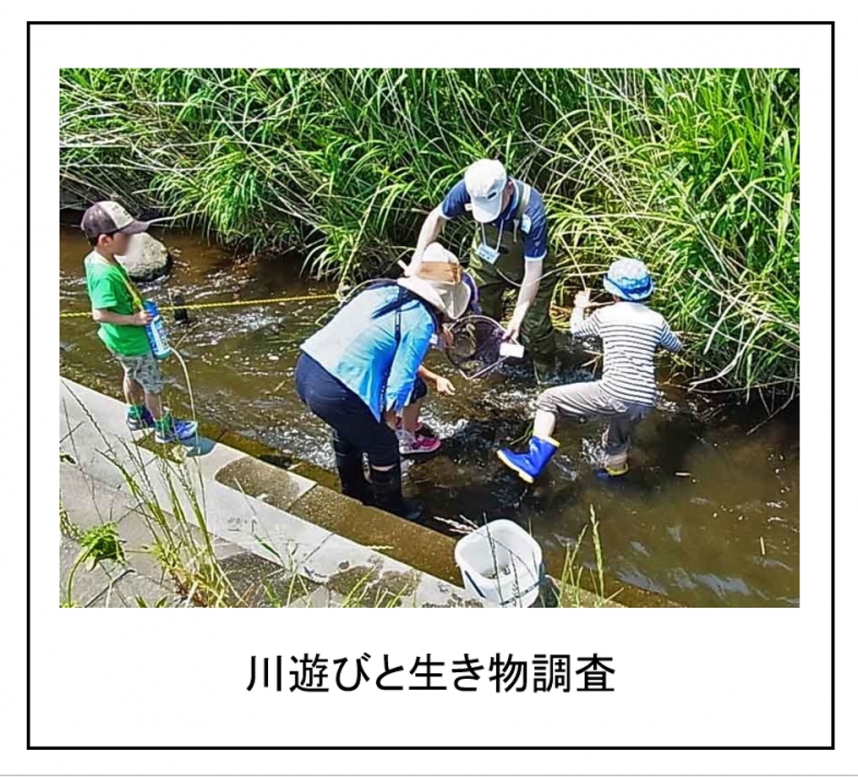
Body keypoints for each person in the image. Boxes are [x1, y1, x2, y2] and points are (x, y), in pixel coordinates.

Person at [295, 243, 471, 519]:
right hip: (337, 389)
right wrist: (389, 418)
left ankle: (354, 491)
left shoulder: (382, 289)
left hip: (307, 369)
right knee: (384, 446)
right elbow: (401, 380)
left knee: (351, 429)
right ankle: (391, 510)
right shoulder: (421, 320)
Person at [497, 258, 682, 483]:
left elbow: (576, 331)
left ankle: (533, 460)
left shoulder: (606, 314)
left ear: (613, 293)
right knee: (616, 440)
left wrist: (580, 308)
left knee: (548, 400)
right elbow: (675, 346)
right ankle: (614, 478)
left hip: (614, 391)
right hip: (644, 400)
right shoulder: (657, 320)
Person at [408, 159, 557, 381]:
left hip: (531, 268)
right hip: (487, 261)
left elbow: (533, 269)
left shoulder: (531, 210)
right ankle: (490, 365)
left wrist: (516, 318)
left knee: (534, 328)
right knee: (479, 316)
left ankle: (546, 374)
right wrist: (417, 260)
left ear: (508, 187)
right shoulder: (470, 188)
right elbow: (436, 217)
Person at [81, 201, 198, 444]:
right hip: (133, 342)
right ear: (105, 240)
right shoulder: (105, 275)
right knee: (153, 386)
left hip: (120, 342)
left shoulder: (96, 260)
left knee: (131, 374)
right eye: (126, 236)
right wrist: (134, 319)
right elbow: (99, 314)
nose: (132, 240)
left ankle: (136, 415)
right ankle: (164, 429)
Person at [395, 271, 481, 455]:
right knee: (416, 388)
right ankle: (406, 440)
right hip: (365, 376)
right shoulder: (421, 325)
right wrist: (436, 379)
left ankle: (398, 422)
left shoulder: (409, 304)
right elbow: (406, 368)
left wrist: (440, 327)